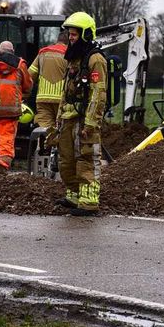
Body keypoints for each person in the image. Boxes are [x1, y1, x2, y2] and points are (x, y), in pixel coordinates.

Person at [55, 11, 106, 216]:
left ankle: (88, 202)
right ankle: (74, 196)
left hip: (84, 120)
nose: (71, 38)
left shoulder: (95, 59)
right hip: (69, 118)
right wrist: (59, 115)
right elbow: (65, 91)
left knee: (86, 158)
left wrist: (90, 124)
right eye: (69, 34)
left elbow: (98, 94)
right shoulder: (73, 59)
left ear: (85, 34)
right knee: (66, 159)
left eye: (74, 34)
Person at [0, 41, 32, 176]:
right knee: (6, 141)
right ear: (13, 52)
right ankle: (2, 172)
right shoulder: (20, 65)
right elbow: (28, 86)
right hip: (10, 112)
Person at [28, 29, 69, 130]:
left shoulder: (43, 52)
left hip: (43, 98)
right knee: (62, 130)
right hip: (62, 99)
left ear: (57, 40)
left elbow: (30, 74)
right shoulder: (69, 54)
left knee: (45, 129)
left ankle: (44, 140)